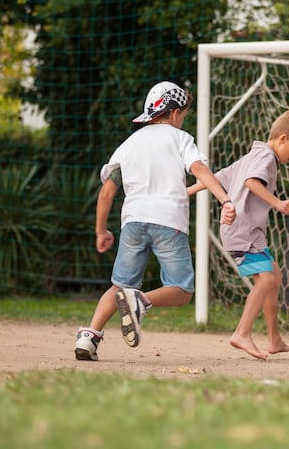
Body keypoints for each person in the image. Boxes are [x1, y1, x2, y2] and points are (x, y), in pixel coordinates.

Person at [74, 81, 235, 361]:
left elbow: (107, 192)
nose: (182, 119)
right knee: (182, 290)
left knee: (120, 285)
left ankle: (89, 337)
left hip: (133, 222)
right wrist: (225, 200)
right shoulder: (180, 138)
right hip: (168, 221)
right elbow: (198, 168)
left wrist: (101, 231)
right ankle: (141, 301)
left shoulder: (129, 144)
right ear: (174, 113)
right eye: (183, 114)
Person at [214, 110, 289, 360]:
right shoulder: (266, 157)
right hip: (243, 232)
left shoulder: (254, 154)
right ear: (282, 139)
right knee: (266, 280)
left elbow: (218, 177)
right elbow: (251, 183)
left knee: (274, 276)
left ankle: (274, 339)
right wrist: (277, 203)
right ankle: (242, 333)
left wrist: (186, 191)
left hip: (248, 233)